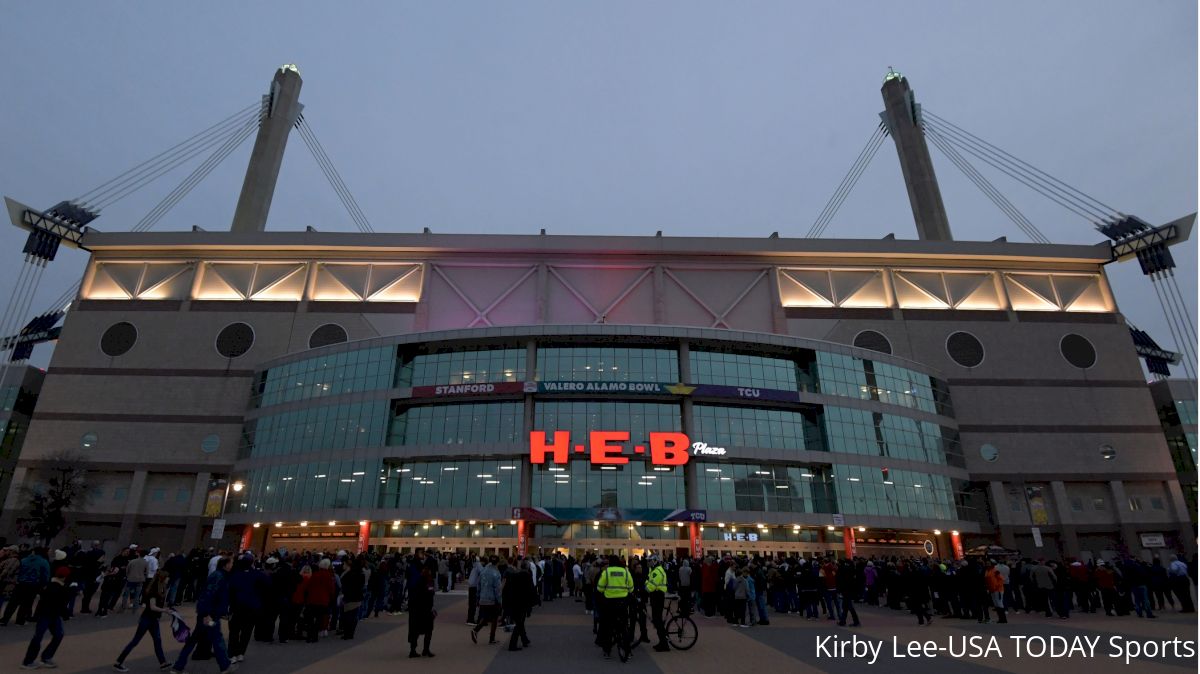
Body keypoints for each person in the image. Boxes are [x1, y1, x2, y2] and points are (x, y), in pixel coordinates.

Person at [171, 556, 234, 674]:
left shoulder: (219, 576)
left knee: (196, 639)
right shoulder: (219, 577)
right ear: (225, 565)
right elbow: (208, 595)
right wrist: (206, 614)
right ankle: (225, 666)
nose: (232, 565)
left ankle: (178, 666)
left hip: (209, 613)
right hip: (209, 615)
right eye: (231, 563)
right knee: (216, 638)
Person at [113, 569, 172, 671]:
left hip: (152, 619)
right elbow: (152, 606)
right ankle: (119, 662)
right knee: (136, 641)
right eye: (167, 577)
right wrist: (164, 610)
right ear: (162, 578)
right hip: (148, 619)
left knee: (157, 641)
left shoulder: (160, 588)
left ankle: (163, 662)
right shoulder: (153, 590)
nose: (168, 579)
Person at [20, 566, 70, 669]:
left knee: (43, 636)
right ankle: (34, 660)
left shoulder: (48, 585)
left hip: (46, 614)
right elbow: (62, 603)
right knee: (53, 635)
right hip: (51, 615)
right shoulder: (60, 588)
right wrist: (65, 615)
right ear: (65, 577)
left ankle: (36, 659)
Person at [596, 555, 633, 659]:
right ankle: (627, 650)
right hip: (623, 603)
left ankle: (607, 651)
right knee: (624, 627)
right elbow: (631, 588)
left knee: (608, 627)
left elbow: (599, 588)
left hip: (609, 603)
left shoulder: (606, 572)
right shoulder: (625, 572)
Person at [503, 559, 534, 651]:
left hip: (514, 602)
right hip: (523, 602)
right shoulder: (527, 576)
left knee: (520, 622)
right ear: (527, 567)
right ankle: (512, 644)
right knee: (519, 623)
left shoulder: (515, 575)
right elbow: (530, 590)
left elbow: (510, 589)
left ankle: (525, 640)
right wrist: (531, 604)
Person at [471, 556, 502, 645]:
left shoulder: (483, 571)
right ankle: (491, 638)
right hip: (492, 599)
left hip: (483, 598)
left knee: (486, 617)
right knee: (494, 618)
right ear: (497, 563)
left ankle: (476, 630)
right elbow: (497, 589)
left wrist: (478, 597)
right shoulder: (496, 573)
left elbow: (479, 585)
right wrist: (499, 600)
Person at [407, 562, 436, 657]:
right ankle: (426, 649)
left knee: (415, 630)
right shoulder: (429, 581)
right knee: (429, 629)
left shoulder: (417, 580)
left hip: (415, 608)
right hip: (425, 609)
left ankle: (412, 650)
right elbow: (431, 594)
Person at [646, 556, 670, 652]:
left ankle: (664, 644)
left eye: (649, 561)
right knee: (657, 620)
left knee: (657, 620)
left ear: (655, 561)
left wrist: (644, 589)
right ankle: (662, 642)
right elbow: (648, 581)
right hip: (656, 596)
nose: (648, 562)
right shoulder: (654, 570)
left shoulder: (657, 571)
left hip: (657, 596)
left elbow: (651, 586)